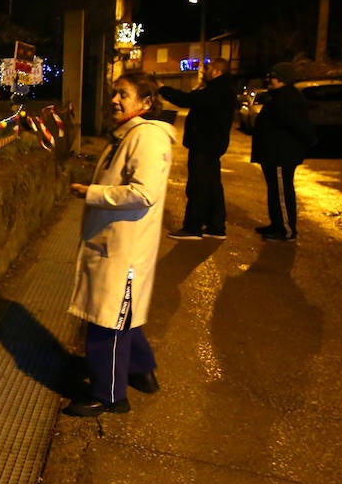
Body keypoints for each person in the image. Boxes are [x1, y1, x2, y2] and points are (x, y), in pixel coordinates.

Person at [65, 71, 177, 417]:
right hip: (112, 241)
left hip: (125, 247)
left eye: (123, 94)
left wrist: (92, 193)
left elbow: (144, 192)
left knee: (108, 322)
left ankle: (109, 395)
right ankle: (140, 371)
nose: (115, 100)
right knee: (120, 314)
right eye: (115, 93)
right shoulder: (126, 135)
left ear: (146, 102)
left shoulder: (146, 138)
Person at [158, 58, 238, 240]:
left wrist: (163, 88)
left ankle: (193, 227)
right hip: (209, 144)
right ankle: (216, 226)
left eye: (208, 68)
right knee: (212, 186)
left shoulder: (218, 90)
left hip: (205, 144)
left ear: (217, 71)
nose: (204, 71)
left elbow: (187, 100)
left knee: (198, 186)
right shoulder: (219, 89)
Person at [250, 63, 315, 242]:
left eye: (273, 76)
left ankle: (286, 230)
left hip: (280, 155)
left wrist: (289, 149)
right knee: (275, 191)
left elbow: (299, 127)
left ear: (282, 79)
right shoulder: (279, 96)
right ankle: (276, 224)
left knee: (282, 192)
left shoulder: (288, 98)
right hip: (273, 154)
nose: (269, 79)